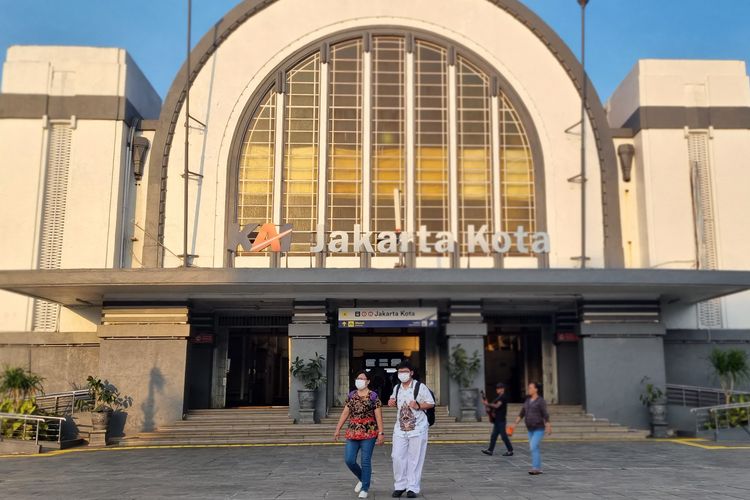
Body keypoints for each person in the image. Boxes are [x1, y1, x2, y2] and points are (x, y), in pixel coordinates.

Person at [334, 370, 386, 499]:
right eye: (358, 378)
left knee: (365, 460)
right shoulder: (352, 395)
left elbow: (379, 416)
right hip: (353, 431)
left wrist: (381, 433)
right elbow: (345, 413)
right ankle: (363, 478)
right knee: (349, 460)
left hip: (369, 432)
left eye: (362, 378)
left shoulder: (373, 396)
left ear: (368, 381)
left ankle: (365, 487)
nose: (360, 380)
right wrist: (337, 428)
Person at [387, 361, 435, 498]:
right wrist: (391, 402)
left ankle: (412, 487)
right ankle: (400, 485)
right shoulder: (397, 388)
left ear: (411, 373)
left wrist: (418, 405)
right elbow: (392, 400)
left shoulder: (420, 387)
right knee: (396, 456)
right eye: (400, 372)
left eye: (405, 371)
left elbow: (431, 403)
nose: (402, 374)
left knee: (415, 458)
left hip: (418, 428)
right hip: (400, 429)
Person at [509, 382, 551, 475]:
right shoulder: (527, 401)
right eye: (529, 388)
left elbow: (545, 414)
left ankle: (535, 468)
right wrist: (514, 424)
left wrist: (548, 425)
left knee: (533, 446)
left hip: (539, 428)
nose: (529, 389)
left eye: (531, 388)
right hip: (530, 428)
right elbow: (522, 413)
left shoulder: (540, 401)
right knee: (534, 447)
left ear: (536, 389)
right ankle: (538, 467)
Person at [481, 382, 513, 456]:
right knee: (493, 436)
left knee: (504, 436)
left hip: (501, 420)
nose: (497, 390)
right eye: (497, 388)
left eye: (498, 388)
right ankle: (490, 450)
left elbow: (497, 406)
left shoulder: (503, 397)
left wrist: (487, 404)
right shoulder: (498, 397)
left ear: (502, 389)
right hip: (497, 420)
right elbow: (494, 407)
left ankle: (510, 450)